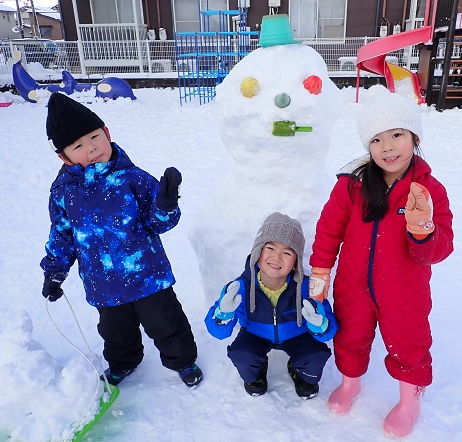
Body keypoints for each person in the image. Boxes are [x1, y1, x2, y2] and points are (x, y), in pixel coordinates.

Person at [309, 85, 454, 437]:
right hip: (353, 286)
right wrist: (320, 273)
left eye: (397, 135)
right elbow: (329, 231)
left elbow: (441, 248)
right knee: (350, 337)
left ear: (414, 137)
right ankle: (350, 382)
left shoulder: (428, 190)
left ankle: (409, 400)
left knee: (409, 342)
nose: (387, 147)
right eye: (376, 139)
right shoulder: (351, 185)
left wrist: (423, 230)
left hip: (404, 291)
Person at [40, 92, 203, 388]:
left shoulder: (133, 178)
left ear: (107, 133)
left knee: (166, 323)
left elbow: (158, 223)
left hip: (147, 276)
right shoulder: (63, 192)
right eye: (78, 146)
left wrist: (165, 205)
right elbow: (62, 234)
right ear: (64, 157)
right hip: (103, 283)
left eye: (94, 138)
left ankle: (183, 361)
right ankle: (123, 363)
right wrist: (54, 271)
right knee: (115, 331)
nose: (91, 149)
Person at [205, 212, 338, 399]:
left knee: (315, 355)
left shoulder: (307, 288)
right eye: (270, 248)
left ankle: (300, 372)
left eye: (287, 252)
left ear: (295, 263)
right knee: (242, 353)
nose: (277, 257)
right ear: (258, 252)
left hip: (297, 334)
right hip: (256, 334)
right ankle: (256, 374)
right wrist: (223, 314)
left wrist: (319, 324)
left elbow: (329, 330)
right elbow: (218, 332)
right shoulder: (240, 287)